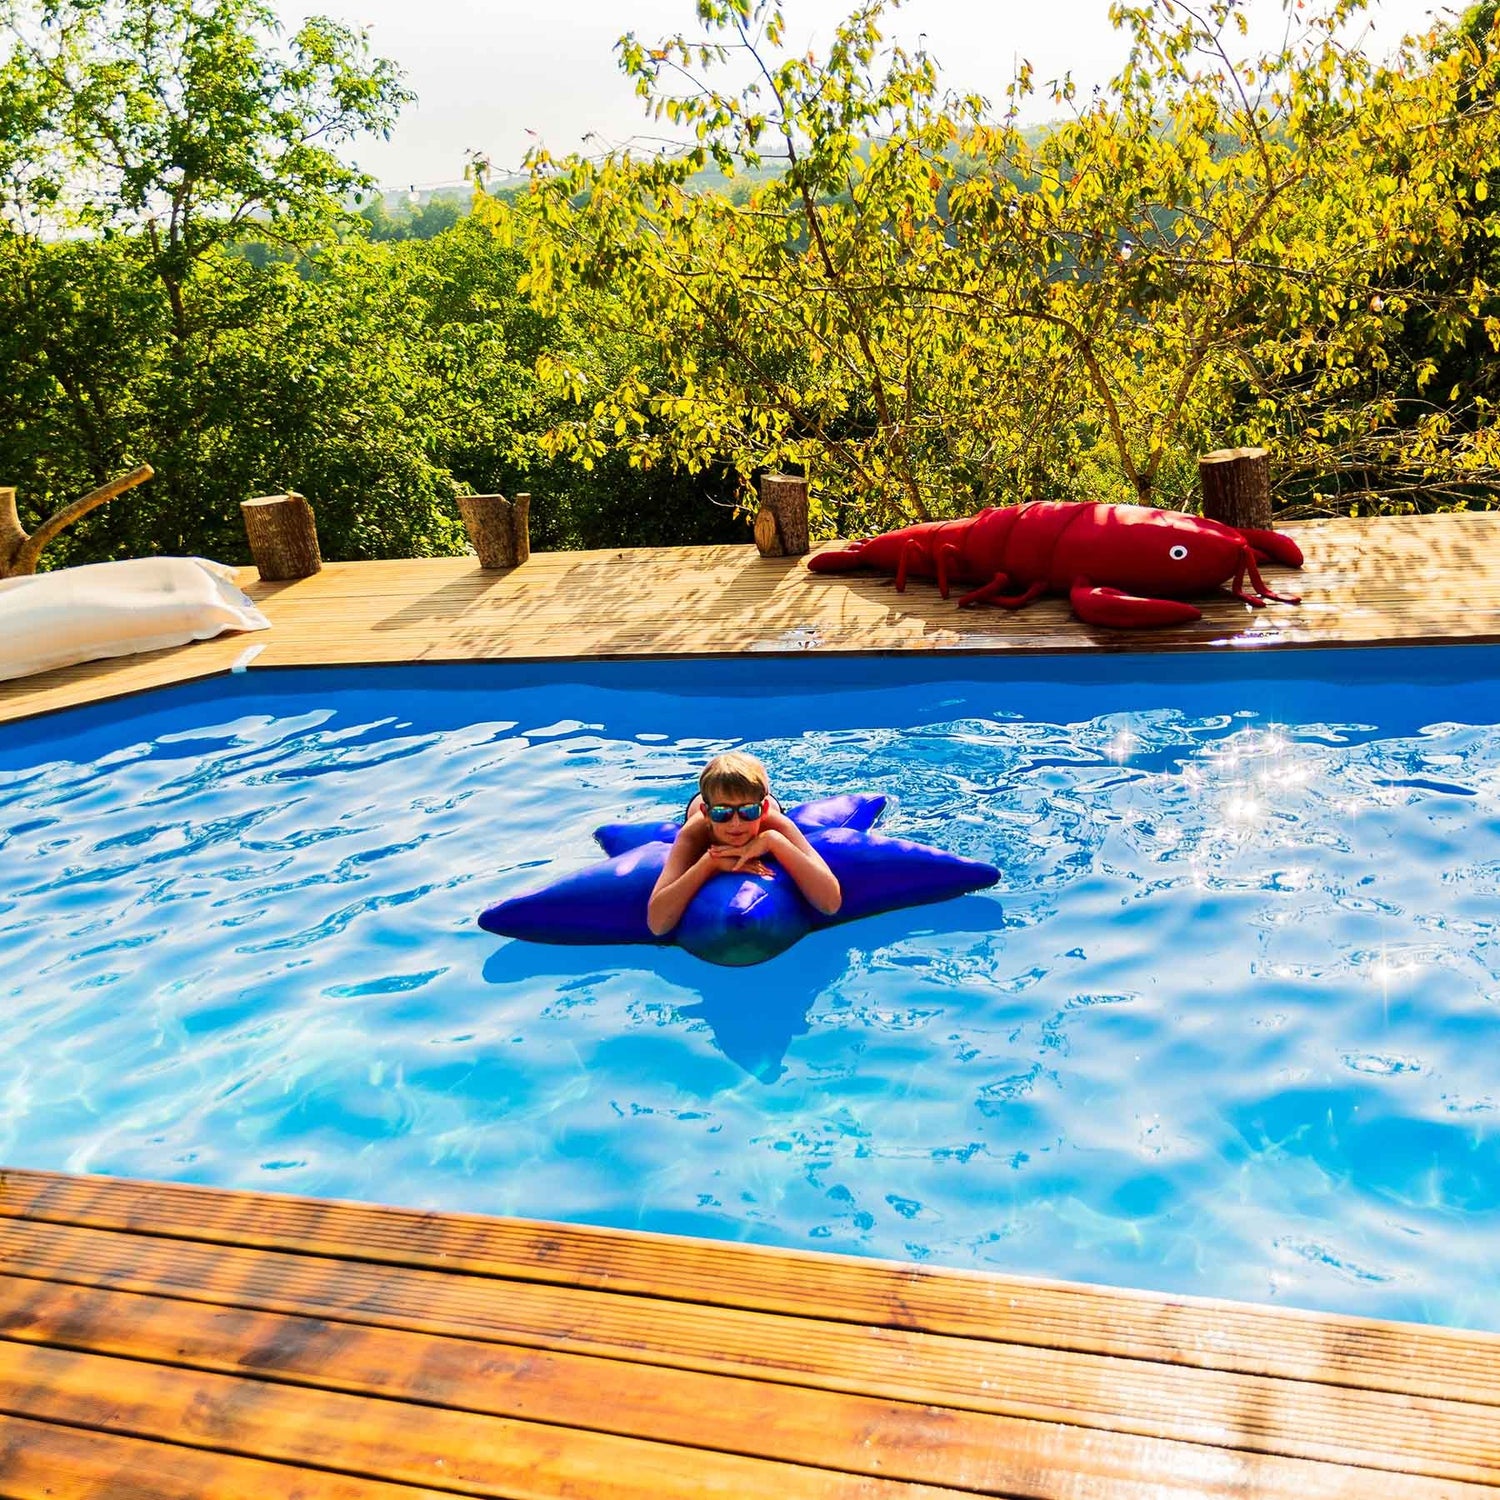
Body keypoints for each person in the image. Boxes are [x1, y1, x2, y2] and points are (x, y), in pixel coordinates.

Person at [646, 751, 842, 937]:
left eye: (748, 812)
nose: (736, 824)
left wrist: (773, 841)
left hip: (763, 801)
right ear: (707, 814)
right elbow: (657, 925)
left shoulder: (774, 824)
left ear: (762, 810)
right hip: (702, 804)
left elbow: (830, 903)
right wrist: (708, 863)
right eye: (722, 814)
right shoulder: (694, 834)